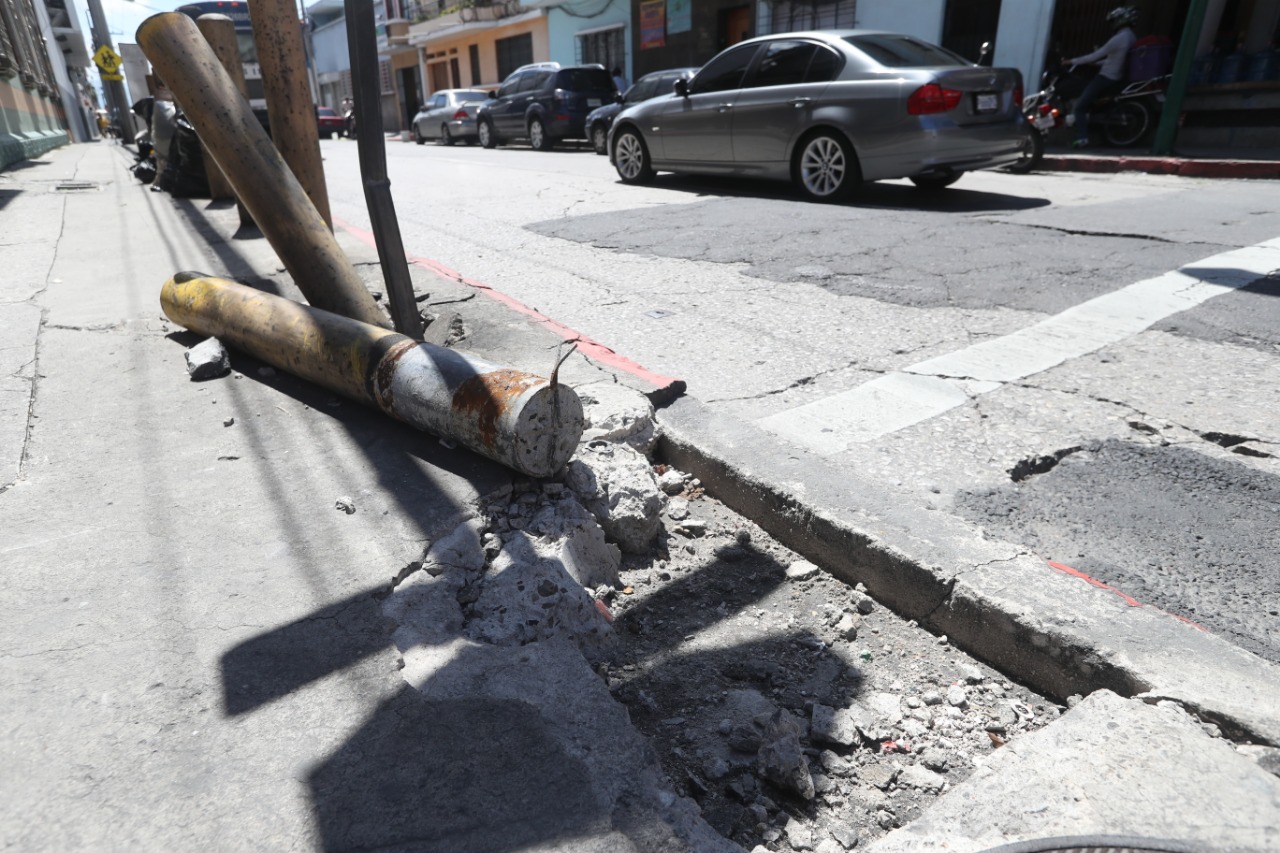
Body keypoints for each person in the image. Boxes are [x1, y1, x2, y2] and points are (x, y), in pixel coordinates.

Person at [1066, 5, 1138, 148]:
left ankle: (1082, 139)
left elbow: (1094, 55)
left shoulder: (1119, 38)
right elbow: (1116, 58)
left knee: (1080, 107)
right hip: (1116, 77)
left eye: (1113, 21)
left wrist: (1070, 61)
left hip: (1106, 77)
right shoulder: (1131, 36)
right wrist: (1098, 63)